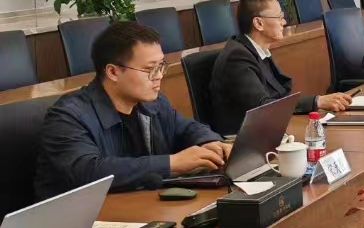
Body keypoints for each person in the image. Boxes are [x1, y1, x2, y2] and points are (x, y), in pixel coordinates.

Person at [35, 21, 229, 199]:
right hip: (83, 218)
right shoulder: (68, 117)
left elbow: (186, 128)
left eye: (161, 66)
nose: (159, 76)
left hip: (139, 207)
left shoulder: (153, 103)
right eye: (150, 69)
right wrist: (172, 163)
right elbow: (89, 172)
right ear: (113, 72)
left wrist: (211, 143)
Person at [209, 0, 352, 136]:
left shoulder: (256, 50)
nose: (284, 22)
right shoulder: (237, 58)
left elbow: (280, 95)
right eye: (279, 17)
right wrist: (317, 101)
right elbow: (263, 107)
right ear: (259, 23)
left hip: (267, 130)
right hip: (245, 139)